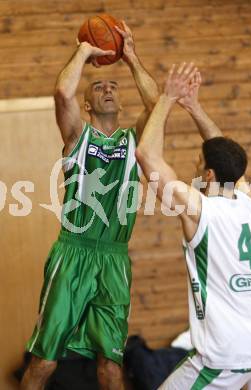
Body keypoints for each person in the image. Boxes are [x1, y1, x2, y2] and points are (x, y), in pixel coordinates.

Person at [21, 22, 159, 390]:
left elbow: (156, 103)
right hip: (73, 253)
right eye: (99, 86)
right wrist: (85, 49)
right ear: (88, 103)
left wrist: (130, 56)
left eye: (113, 86)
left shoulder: (134, 141)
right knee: (43, 361)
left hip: (114, 258)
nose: (108, 88)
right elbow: (62, 93)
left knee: (111, 366)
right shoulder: (78, 136)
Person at [136, 63, 251, 390]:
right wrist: (193, 106)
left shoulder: (198, 209)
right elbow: (224, 149)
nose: (196, 167)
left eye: (199, 165)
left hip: (228, 353)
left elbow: (146, 155)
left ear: (207, 176)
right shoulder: (248, 202)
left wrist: (169, 97)